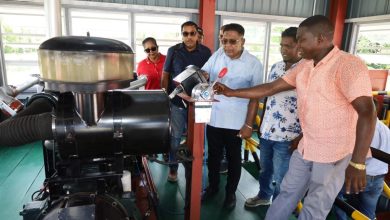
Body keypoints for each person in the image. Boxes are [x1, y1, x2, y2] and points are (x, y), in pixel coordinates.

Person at [213, 15, 376, 219]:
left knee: (315, 205)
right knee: (287, 192)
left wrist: (358, 163)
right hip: (307, 145)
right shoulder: (306, 65)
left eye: (301, 39)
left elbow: (368, 113)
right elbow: (271, 87)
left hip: (335, 151)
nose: (297, 45)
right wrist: (232, 92)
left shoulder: (348, 65)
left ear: (321, 39)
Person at [201, 23, 263, 209]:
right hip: (214, 117)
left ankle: (230, 194)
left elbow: (255, 97)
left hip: (236, 121)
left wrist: (248, 125)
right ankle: (212, 187)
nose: (227, 45)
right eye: (223, 40)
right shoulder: (218, 54)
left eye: (232, 42)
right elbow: (205, 73)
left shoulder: (253, 64)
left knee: (234, 159)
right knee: (213, 157)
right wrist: (201, 75)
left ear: (242, 41)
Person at [244, 27, 302, 208]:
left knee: (282, 175)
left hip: (289, 135)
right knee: (265, 169)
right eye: (281, 45)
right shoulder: (276, 66)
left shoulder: (307, 69)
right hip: (268, 129)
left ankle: (278, 207)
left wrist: (302, 135)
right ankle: (263, 195)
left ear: (300, 46)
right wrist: (262, 125)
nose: (283, 49)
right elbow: (268, 95)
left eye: (289, 46)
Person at [162, 21, 211, 182]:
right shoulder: (173, 51)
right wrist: (164, 97)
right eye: (185, 33)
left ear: (197, 34)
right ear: (182, 35)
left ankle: (196, 170)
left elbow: (209, 75)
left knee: (198, 138)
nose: (189, 37)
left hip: (199, 103)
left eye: (192, 33)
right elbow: (165, 75)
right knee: (175, 137)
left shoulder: (206, 52)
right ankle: (173, 168)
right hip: (177, 102)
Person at [334, 108, 390, 220]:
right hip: (379, 178)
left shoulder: (363, 131)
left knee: (333, 193)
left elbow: (357, 158)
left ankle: (341, 218)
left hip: (361, 176)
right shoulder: (386, 130)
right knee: (368, 213)